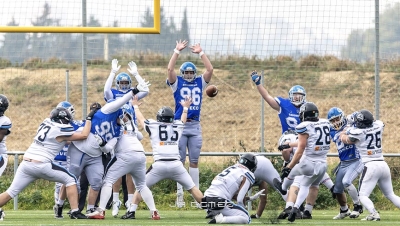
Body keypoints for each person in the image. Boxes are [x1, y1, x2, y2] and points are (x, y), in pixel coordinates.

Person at [250, 72, 334, 219]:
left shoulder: (308, 108)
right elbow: (268, 98)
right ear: (290, 96)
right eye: (294, 95)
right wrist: (258, 84)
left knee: (304, 175)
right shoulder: (285, 105)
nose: (296, 98)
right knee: (291, 152)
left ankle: (293, 196)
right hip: (291, 137)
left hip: (304, 141)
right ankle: (328, 187)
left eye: (299, 95)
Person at [0, 106, 98, 220]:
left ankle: (68, 209)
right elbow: (84, 135)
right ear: (62, 120)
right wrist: (89, 119)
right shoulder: (60, 128)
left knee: (11, 192)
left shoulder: (45, 122)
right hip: (41, 164)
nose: (68, 122)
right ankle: (75, 211)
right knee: (70, 179)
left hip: (26, 163)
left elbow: (61, 140)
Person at [68, 80, 150, 215]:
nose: (124, 118)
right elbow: (121, 101)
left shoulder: (118, 130)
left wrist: (102, 143)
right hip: (81, 149)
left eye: (126, 116)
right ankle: (63, 206)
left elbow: (107, 149)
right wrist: (134, 91)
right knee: (70, 179)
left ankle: (93, 209)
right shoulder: (108, 110)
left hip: (96, 154)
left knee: (97, 182)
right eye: (124, 114)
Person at [125, 96, 204, 219]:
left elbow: (141, 119)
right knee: (192, 188)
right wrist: (185, 108)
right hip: (176, 165)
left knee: (141, 186)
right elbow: (183, 120)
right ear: (172, 118)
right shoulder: (177, 125)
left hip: (159, 165)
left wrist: (135, 106)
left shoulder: (154, 125)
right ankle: (210, 210)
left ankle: (131, 211)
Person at [86, 103, 158, 220]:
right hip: (140, 155)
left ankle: (101, 210)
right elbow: (139, 136)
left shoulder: (115, 127)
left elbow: (108, 148)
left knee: (107, 181)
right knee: (141, 185)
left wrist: (101, 143)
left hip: (125, 155)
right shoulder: (132, 125)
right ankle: (154, 211)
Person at [167, 39, 213, 207]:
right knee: (179, 162)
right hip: (179, 125)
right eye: (185, 72)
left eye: (190, 72)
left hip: (194, 125)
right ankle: (179, 198)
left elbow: (210, 69)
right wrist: (176, 51)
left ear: (194, 73)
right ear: (182, 73)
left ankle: (197, 199)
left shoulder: (199, 82)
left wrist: (201, 53)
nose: (188, 75)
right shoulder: (176, 83)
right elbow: (170, 69)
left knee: (194, 162)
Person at [273, 102, 331, 223]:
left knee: (291, 172)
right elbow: (309, 141)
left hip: (309, 162)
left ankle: (283, 188)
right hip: (323, 164)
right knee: (304, 185)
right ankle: (295, 208)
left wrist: (289, 166)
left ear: (304, 115)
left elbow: (300, 150)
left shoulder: (304, 126)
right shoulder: (325, 122)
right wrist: (289, 144)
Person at [104, 59, 148, 216]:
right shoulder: (112, 94)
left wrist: (136, 74)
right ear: (117, 83)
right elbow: (106, 90)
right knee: (116, 169)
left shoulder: (132, 95)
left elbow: (146, 90)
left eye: (126, 82)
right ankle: (115, 200)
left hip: (130, 133)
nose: (123, 85)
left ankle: (129, 200)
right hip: (116, 133)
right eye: (121, 82)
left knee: (130, 170)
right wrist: (112, 72)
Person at [339, 109, 400, 221]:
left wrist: (346, 128)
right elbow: (377, 122)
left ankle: (373, 213)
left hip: (371, 165)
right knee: (391, 194)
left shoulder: (358, 133)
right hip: (383, 164)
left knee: (362, 195)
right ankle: (373, 213)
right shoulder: (378, 125)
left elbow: (344, 139)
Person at [327, 107, 364, 219]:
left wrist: (352, 118)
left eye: (337, 119)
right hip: (343, 162)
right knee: (337, 189)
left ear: (342, 116)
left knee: (346, 181)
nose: (335, 122)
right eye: (332, 121)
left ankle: (358, 206)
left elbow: (361, 114)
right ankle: (344, 210)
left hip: (356, 159)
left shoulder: (352, 125)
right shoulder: (332, 131)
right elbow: (342, 137)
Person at [202, 153, 260, 224]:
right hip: (219, 202)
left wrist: (250, 198)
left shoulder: (232, 168)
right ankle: (221, 219)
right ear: (252, 166)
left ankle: (216, 214)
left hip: (206, 201)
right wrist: (242, 211)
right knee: (246, 217)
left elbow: (228, 193)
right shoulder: (247, 173)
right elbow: (240, 200)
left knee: (232, 211)